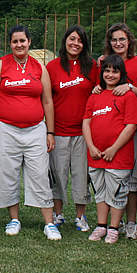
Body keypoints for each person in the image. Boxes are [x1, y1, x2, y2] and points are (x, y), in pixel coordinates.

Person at [0, 25, 60, 240]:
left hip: (35, 128)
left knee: (40, 174)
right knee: (8, 173)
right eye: (15, 41)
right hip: (5, 128)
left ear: (29, 42)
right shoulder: (0, 66)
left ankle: (49, 222)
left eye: (22, 41)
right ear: (10, 44)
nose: (19, 45)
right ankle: (14, 219)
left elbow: (47, 101)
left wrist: (50, 132)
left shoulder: (39, 67)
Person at [95, 22, 137, 240]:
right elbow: (99, 89)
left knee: (131, 181)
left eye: (122, 39)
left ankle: (131, 223)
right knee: (106, 179)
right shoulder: (105, 63)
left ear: (130, 42)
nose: (118, 43)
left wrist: (130, 87)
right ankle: (107, 225)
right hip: (108, 131)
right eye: (114, 39)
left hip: (133, 131)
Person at [82, 55, 137, 244]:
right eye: (107, 70)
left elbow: (131, 126)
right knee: (100, 191)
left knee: (117, 192)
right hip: (96, 155)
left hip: (118, 156)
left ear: (122, 74)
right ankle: (101, 225)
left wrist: (114, 149)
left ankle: (114, 227)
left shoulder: (127, 96)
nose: (110, 74)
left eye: (115, 71)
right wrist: (91, 146)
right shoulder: (95, 95)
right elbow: (86, 122)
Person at [46, 25, 98, 232]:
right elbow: (47, 100)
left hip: (83, 132)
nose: (75, 44)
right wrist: (49, 131)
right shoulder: (52, 67)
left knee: (80, 174)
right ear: (65, 41)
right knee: (58, 174)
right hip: (58, 131)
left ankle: (80, 216)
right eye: (72, 39)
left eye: (80, 40)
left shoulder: (92, 66)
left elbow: (99, 91)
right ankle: (58, 215)